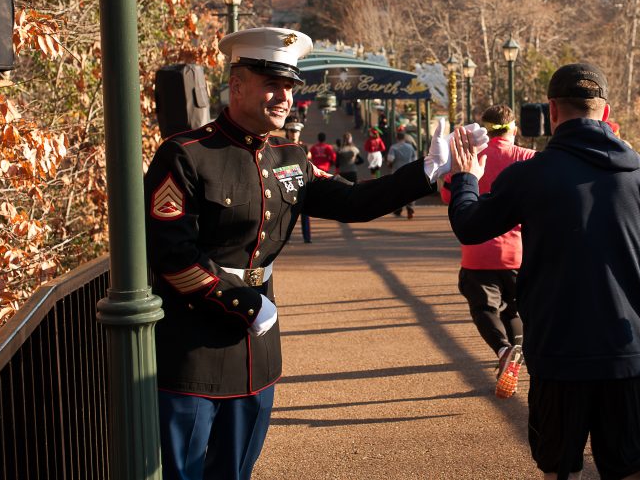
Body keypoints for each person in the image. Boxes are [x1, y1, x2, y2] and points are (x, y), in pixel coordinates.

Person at [144, 26, 478, 480]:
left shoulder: (290, 157)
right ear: (237, 85)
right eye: (271, 85)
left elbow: (352, 203)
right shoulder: (186, 155)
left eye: (288, 87)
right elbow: (172, 255)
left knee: (236, 472)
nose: (283, 97)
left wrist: (425, 170)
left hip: (257, 352)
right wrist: (241, 303)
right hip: (194, 346)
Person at [446, 62, 640, 480]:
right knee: (634, 471)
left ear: (552, 110)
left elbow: (469, 226)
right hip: (628, 352)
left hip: (557, 352)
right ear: (604, 111)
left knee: (558, 468)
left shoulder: (529, 176)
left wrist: (465, 179)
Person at [440, 104, 536, 398]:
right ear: (514, 129)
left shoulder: (472, 157)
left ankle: (503, 349)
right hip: (518, 252)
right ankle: (517, 350)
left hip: (477, 249)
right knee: (515, 307)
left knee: (484, 308)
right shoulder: (529, 158)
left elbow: (448, 195)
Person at [387, 131, 418, 218]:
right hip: (409, 171)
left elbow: (390, 159)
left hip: (397, 171)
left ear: (397, 138)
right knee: (409, 190)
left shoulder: (393, 147)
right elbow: (414, 158)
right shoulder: (410, 147)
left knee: (397, 191)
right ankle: (410, 208)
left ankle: (398, 210)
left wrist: (389, 165)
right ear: (404, 138)